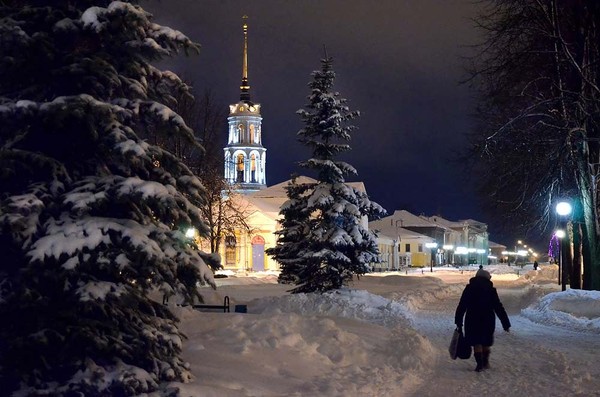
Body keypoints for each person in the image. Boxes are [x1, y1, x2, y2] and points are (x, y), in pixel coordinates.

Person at [455, 268, 511, 372]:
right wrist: (505, 323)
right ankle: (485, 362)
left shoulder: (469, 288)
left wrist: (458, 320)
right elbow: (498, 307)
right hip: (488, 319)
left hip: (472, 318)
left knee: (477, 342)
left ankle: (479, 364)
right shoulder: (491, 290)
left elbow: (462, 305)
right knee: (485, 341)